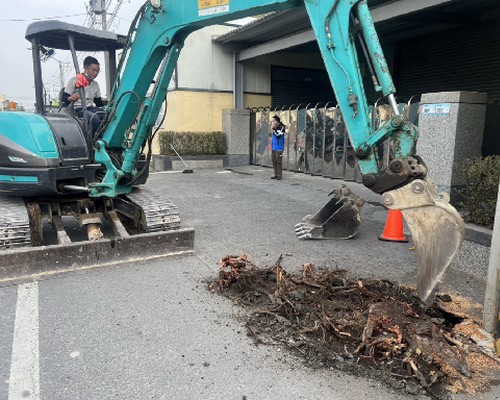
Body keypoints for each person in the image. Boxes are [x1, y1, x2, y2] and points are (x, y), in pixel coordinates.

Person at [62, 56, 105, 133]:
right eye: (93, 70)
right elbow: (64, 98)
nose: (96, 73)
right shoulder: (74, 81)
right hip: (79, 110)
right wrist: (70, 98)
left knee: (107, 115)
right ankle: (95, 140)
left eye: (98, 71)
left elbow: (98, 103)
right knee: (94, 119)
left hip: (91, 108)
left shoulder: (95, 84)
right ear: (86, 68)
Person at [270, 115, 285, 180]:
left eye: (273, 121)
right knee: (274, 161)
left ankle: (279, 175)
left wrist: (274, 129)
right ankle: (275, 173)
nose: (272, 122)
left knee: (279, 161)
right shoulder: (275, 128)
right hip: (274, 147)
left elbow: (278, 135)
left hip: (279, 147)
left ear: (276, 121)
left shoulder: (282, 127)